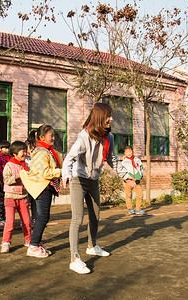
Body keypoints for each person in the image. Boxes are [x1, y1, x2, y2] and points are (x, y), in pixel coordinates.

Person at [62, 103, 135, 274]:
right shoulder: (83, 137)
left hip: (93, 180)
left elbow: (113, 159)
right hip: (79, 180)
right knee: (77, 219)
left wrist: (125, 175)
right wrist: (67, 173)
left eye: (111, 115)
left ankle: (92, 246)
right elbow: (69, 158)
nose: (111, 119)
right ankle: (74, 258)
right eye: (108, 116)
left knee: (95, 215)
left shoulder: (108, 137)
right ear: (99, 118)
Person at [21, 125, 62, 258]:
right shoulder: (41, 153)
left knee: (43, 217)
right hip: (42, 187)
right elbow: (44, 173)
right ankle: (33, 246)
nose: (54, 138)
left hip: (45, 187)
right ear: (41, 137)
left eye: (54, 135)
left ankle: (36, 243)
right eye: (51, 136)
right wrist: (61, 172)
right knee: (42, 217)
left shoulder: (48, 151)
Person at [0, 141, 32, 253]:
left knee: (27, 222)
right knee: (10, 223)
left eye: (25, 150)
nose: (24, 153)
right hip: (10, 197)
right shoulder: (9, 165)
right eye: (22, 151)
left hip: (23, 197)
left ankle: (28, 240)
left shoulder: (26, 166)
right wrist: (19, 176)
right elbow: (7, 180)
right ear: (14, 154)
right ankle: (6, 242)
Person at [122, 145, 146, 215]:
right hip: (128, 182)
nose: (129, 153)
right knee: (128, 195)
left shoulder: (137, 160)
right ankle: (130, 209)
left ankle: (138, 209)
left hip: (136, 181)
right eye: (127, 152)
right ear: (124, 153)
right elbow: (122, 171)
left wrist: (140, 176)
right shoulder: (124, 162)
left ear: (132, 152)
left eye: (130, 151)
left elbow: (141, 168)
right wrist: (127, 178)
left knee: (140, 195)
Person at [25, 130, 37, 225]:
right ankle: (25, 219)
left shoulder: (39, 147)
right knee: (26, 201)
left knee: (35, 200)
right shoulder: (26, 146)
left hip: (36, 178)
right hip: (27, 177)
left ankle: (35, 218)